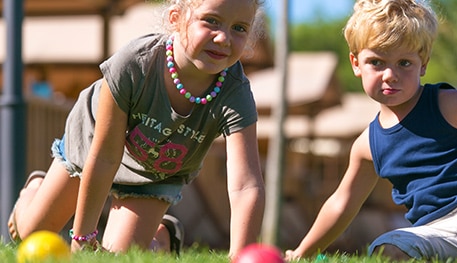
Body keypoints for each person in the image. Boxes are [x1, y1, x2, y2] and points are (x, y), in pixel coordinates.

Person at [285, 0, 457, 262]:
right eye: (377, 62)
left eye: (404, 63)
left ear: (423, 63)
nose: (390, 74)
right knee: (388, 249)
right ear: (356, 63)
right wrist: (302, 252)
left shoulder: (450, 104)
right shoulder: (367, 145)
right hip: (435, 234)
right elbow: (341, 204)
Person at [7, 0, 266, 258]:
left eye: (240, 28)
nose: (223, 38)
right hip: (94, 148)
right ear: (175, 18)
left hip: (155, 172)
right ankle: (35, 189)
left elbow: (246, 185)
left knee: (118, 257)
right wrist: (82, 238)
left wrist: (242, 256)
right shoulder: (133, 64)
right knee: (30, 233)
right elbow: (104, 158)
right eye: (210, 20)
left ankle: (162, 235)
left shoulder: (235, 93)